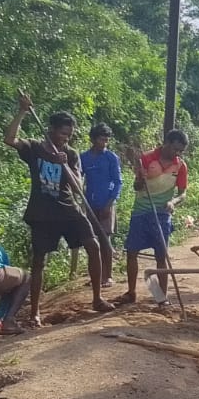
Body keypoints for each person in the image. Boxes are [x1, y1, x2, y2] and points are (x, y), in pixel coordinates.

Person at [3, 91, 114, 325]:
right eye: (63, 134)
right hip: (42, 213)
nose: (66, 138)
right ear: (51, 129)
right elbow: (9, 139)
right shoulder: (34, 148)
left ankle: (97, 298)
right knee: (39, 260)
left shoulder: (71, 154)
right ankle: (35, 312)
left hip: (68, 209)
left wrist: (66, 165)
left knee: (93, 244)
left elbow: (77, 188)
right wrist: (22, 111)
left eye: (69, 135)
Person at [119, 130, 189, 305]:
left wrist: (173, 202)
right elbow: (136, 186)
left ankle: (161, 297)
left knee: (161, 255)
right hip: (141, 211)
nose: (177, 154)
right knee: (132, 252)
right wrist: (140, 179)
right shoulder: (146, 158)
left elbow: (183, 193)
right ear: (166, 143)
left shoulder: (180, 166)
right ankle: (131, 292)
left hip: (162, 213)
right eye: (175, 149)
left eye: (180, 151)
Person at [79, 123, 122, 286]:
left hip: (107, 203)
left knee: (105, 239)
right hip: (90, 204)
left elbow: (118, 182)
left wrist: (109, 204)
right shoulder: (84, 158)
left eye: (106, 140)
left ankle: (108, 276)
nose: (104, 143)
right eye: (101, 140)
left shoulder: (111, 158)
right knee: (92, 240)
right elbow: (78, 177)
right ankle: (95, 276)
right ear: (93, 139)